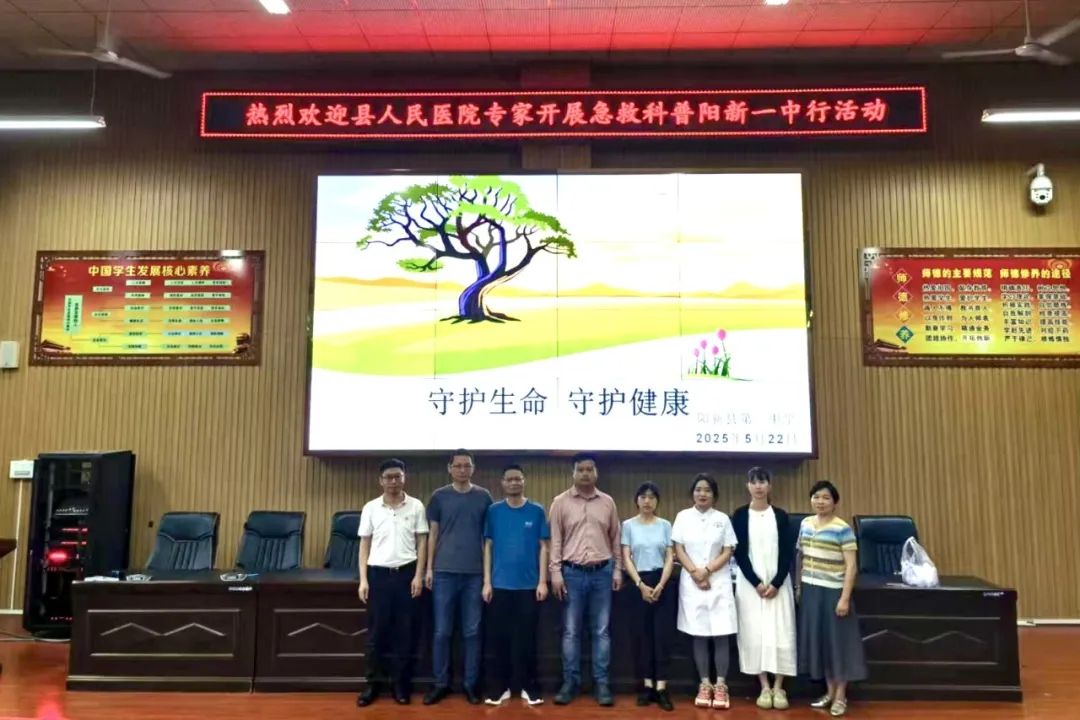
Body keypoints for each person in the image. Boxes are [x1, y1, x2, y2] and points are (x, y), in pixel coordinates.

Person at [548, 452, 623, 707]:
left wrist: (617, 570)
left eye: (589, 469)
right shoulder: (560, 503)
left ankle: (601, 683)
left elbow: (615, 539)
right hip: (571, 574)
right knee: (571, 631)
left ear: (596, 473)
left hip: (602, 573)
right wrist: (555, 572)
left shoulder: (608, 502)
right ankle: (570, 682)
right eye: (580, 469)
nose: (585, 474)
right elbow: (555, 541)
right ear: (573, 473)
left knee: (601, 631)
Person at [356, 459, 429, 707]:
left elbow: (422, 542)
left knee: (404, 634)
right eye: (389, 477)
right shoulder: (371, 508)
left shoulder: (416, 506)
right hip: (378, 575)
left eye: (398, 476)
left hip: (406, 575)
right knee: (376, 633)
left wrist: (418, 575)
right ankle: (372, 684)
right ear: (381, 481)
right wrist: (363, 579)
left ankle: (401, 685)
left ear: (404, 478)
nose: (394, 481)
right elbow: (364, 545)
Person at [423, 449, 493, 706]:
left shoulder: (484, 497)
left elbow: (488, 539)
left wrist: (487, 576)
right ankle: (441, 683)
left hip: (474, 574)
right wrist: (429, 568)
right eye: (458, 465)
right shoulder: (439, 496)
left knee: (472, 632)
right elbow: (432, 534)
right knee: (442, 631)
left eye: (467, 466)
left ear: (473, 468)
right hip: (444, 572)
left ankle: (471, 684)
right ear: (449, 468)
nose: (462, 470)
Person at [796, 480, 868, 718]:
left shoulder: (842, 528)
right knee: (822, 643)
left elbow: (851, 566)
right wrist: (799, 587)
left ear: (834, 502)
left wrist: (844, 598)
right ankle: (829, 692)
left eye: (826, 498)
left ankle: (840, 696)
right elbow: (801, 556)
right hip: (811, 590)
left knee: (839, 645)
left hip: (834, 592)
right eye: (816, 497)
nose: (820, 502)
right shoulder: (806, 524)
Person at [482, 463, 550, 706]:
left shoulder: (536, 510)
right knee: (499, 639)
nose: (514, 483)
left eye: (517, 479)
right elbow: (487, 547)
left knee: (527, 639)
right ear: (502, 483)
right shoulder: (494, 511)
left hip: (529, 586)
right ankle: (500, 688)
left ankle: (528, 687)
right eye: (509, 479)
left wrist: (542, 581)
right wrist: (487, 582)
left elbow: (544, 547)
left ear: (524, 481)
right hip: (499, 586)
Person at [731, 467, 797, 710]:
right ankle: (764, 686)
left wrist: (777, 582)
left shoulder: (780, 515)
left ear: (770, 486)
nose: (758, 486)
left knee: (781, 631)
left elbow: (788, 552)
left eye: (762, 482)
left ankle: (779, 687)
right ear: (748, 486)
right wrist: (757, 583)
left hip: (778, 584)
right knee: (754, 632)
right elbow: (739, 553)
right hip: (750, 585)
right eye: (754, 482)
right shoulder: (739, 515)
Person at [672, 473, 738, 710]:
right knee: (698, 633)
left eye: (707, 490)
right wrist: (695, 573)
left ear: (714, 495)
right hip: (692, 583)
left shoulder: (722, 519)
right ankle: (704, 683)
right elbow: (678, 548)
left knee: (721, 633)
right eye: (698, 489)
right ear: (692, 493)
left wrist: (707, 571)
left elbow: (728, 550)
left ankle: (720, 684)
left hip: (718, 582)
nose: (702, 494)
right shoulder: (682, 517)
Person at [620, 482, 675, 712]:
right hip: (638, 583)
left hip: (662, 583)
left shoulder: (665, 525)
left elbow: (670, 557)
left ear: (657, 501)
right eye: (643, 496)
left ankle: (661, 688)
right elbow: (626, 557)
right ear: (637, 500)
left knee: (661, 636)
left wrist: (661, 584)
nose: (647, 501)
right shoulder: (628, 525)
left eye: (652, 497)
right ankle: (647, 686)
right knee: (642, 636)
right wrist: (640, 585)